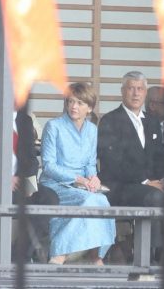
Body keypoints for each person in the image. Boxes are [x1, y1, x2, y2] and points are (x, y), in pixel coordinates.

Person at [98, 71, 164, 259]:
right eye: (131, 88)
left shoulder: (153, 122)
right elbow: (112, 162)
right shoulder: (109, 120)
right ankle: (152, 256)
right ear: (122, 91)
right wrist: (145, 181)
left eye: (140, 89)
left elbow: (161, 157)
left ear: (145, 93)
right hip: (122, 186)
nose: (136, 93)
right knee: (155, 197)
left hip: (154, 184)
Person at [40, 82, 115, 265]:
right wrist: (77, 179)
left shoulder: (92, 130)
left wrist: (94, 178)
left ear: (89, 108)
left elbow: (90, 163)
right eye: (71, 101)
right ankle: (60, 253)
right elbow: (48, 165)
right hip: (55, 183)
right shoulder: (53, 126)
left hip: (81, 185)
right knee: (90, 200)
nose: (74, 106)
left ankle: (97, 256)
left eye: (80, 103)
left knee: (102, 201)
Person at [12, 109, 60, 263]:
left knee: (49, 197)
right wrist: (3, 178)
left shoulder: (24, 120)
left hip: (19, 183)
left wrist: (24, 178)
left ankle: (19, 255)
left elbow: (32, 160)